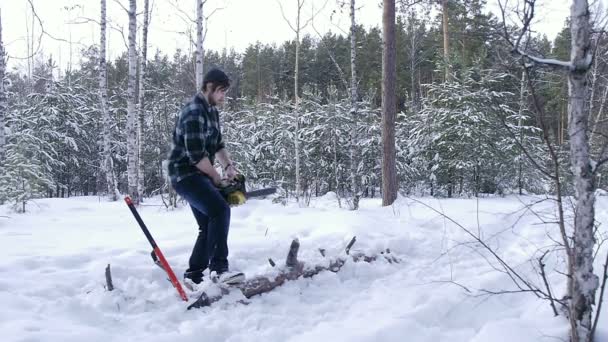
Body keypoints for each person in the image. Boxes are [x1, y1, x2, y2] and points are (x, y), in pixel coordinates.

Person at [166, 68, 241, 287]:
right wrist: (216, 178)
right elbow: (197, 156)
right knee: (220, 210)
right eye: (220, 92)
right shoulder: (193, 112)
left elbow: (217, 144)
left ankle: (194, 275)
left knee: (209, 222)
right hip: (184, 175)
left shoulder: (211, 111)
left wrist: (228, 166)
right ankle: (219, 269)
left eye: (224, 92)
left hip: (199, 174)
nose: (223, 97)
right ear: (208, 87)